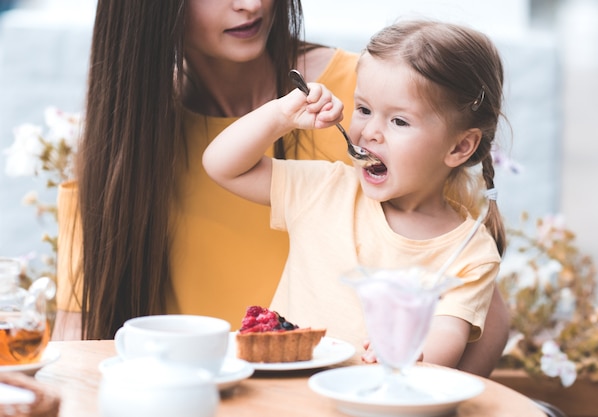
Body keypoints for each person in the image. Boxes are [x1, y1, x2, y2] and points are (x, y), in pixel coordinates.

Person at [54, 0, 509, 376]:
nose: (250, 4)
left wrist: (411, 378)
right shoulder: (127, 143)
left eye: (397, 121)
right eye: (365, 112)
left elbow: (475, 303)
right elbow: (74, 329)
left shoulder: (387, 81)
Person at [203, 19, 507, 369]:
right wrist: (280, 116)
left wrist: (409, 352)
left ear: (459, 146)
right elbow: (222, 165)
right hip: (283, 392)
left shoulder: (470, 253)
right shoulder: (326, 189)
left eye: (399, 121)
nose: (369, 132)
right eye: (364, 109)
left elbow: (444, 341)